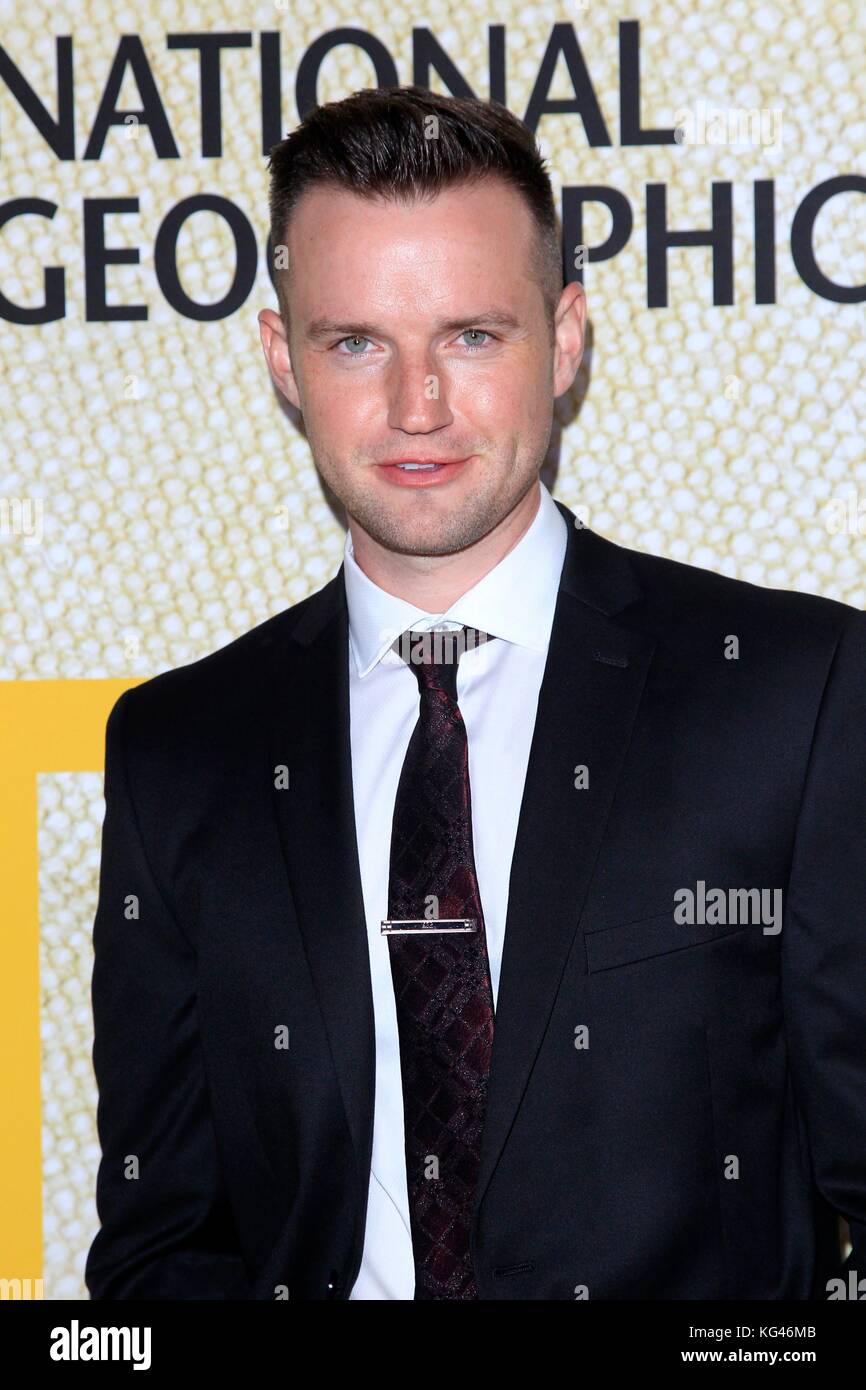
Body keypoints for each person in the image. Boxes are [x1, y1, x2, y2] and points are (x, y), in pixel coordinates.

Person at [85, 85, 866, 1301]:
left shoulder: (789, 694)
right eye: (355, 342)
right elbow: (159, 1242)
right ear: (280, 357)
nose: (416, 408)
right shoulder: (179, 749)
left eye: (470, 336)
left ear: (562, 341)